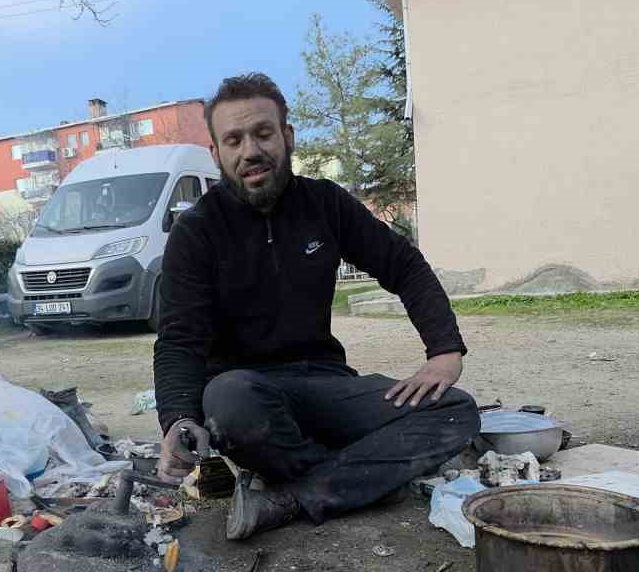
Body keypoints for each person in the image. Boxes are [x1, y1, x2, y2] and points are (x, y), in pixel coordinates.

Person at [153, 72, 479, 539]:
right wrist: (178, 419)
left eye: (263, 133)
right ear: (216, 154)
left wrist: (445, 351)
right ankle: (361, 476)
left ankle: (295, 495)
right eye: (234, 140)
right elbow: (179, 340)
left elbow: (403, 264)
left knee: (455, 410)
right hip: (248, 399)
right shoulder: (197, 230)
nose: (251, 151)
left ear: (286, 136)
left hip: (325, 385)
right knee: (227, 398)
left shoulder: (326, 203)